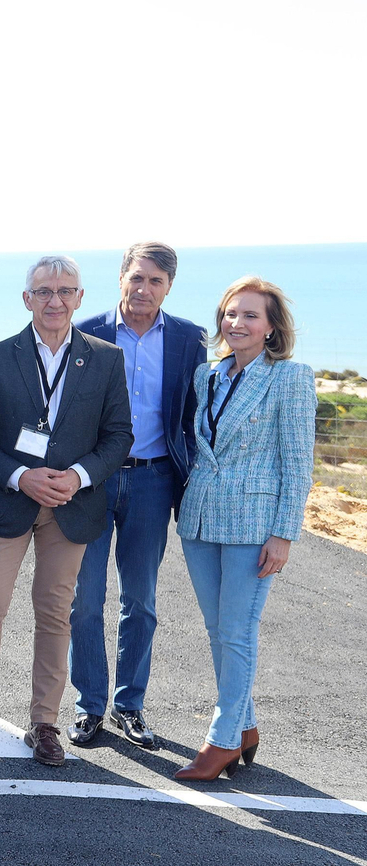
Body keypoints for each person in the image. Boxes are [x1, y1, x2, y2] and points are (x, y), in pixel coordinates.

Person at [0, 256, 132, 766]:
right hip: (7, 502)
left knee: (55, 616)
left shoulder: (106, 359)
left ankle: (45, 724)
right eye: (44, 291)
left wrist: (76, 477)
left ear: (80, 298)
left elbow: (119, 438)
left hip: (72, 506)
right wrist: (20, 476)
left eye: (65, 291)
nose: (55, 300)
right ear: (26, 299)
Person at [174, 278, 314, 781]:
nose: (237, 323)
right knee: (218, 631)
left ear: (272, 327)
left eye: (251, 316)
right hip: (200, 518)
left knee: (236, 632)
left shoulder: (290, 378)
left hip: (255, 526)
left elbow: (297, 463)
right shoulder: (205, 375)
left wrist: (284, 533)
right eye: (231, 314)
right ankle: (247, 724)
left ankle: (223, 739)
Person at [68, 243, 207, 751]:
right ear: (121, 278)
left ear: (168, 286)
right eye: (136, 278)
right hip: (92, 482)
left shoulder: (190, 338)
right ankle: (89, 707)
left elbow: (193, 415)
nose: (143, 289)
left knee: (141, 602)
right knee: (84, 600)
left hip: (153, 481)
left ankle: (130, 706)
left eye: (155, 281)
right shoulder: (89, 332)